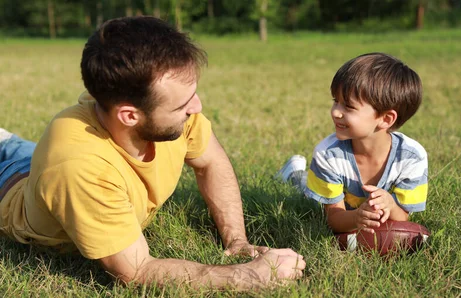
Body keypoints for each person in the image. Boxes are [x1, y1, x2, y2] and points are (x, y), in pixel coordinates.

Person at [0, 16, 304, 290]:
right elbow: (136, 270)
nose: (196, 107)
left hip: (31, 160)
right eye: (181, 105)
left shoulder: (172, 111)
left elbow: (210, 162)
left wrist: (238, 242)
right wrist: (249, 276)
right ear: (130, 116)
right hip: (9, 181)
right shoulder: (78, 166)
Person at [276, 53, 428, 234]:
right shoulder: (328, 154)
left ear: (386, 119)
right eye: (336, 101)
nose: (335, 112)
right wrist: (356, 218)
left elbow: (402, 216)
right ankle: (294, 173)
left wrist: (391, 205)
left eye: (348, 106)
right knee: (305, 191)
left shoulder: (411, 158)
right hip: (336, 201)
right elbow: (333, 218)